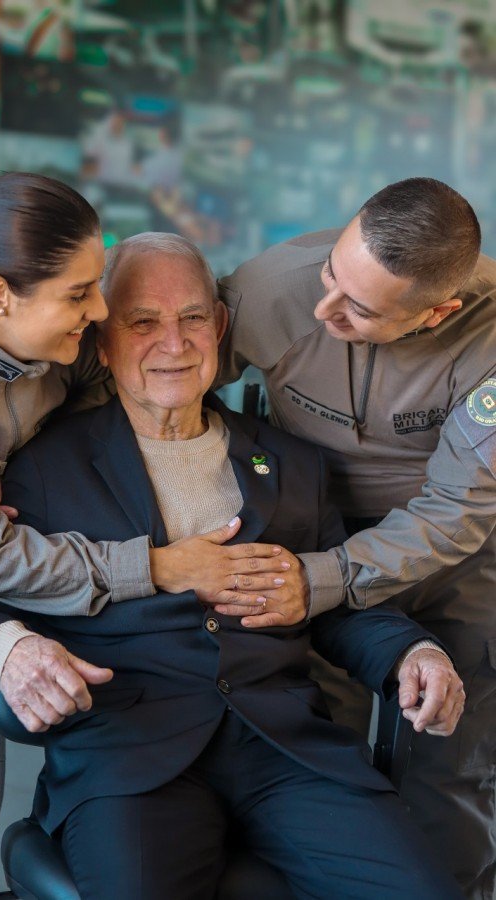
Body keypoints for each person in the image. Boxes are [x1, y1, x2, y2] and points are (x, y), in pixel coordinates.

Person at [0, 233, 465, 900]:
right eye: (143, 322)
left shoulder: (292, 462)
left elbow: (337, 602)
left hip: (288, 751)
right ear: (102, 342)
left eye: (192, 318)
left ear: (221, 326)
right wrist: (14, 651)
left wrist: (412, 652)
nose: (174, 343)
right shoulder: (43, 467)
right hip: (130, 757)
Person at [0, 176, 300, 899]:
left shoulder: (66, 344)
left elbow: (132, 377)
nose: (100, 310)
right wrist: (154, 566)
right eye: (80, 293)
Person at [216, 177, 495, 899]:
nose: (323, 309)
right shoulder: (270, 287)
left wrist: (324, 579)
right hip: (308, 525)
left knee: (451, 759)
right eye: (332, 274)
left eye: (358, 309)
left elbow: (458, 510)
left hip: (453, 550)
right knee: (307, 748)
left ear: (438, 312)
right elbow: (156, 376)